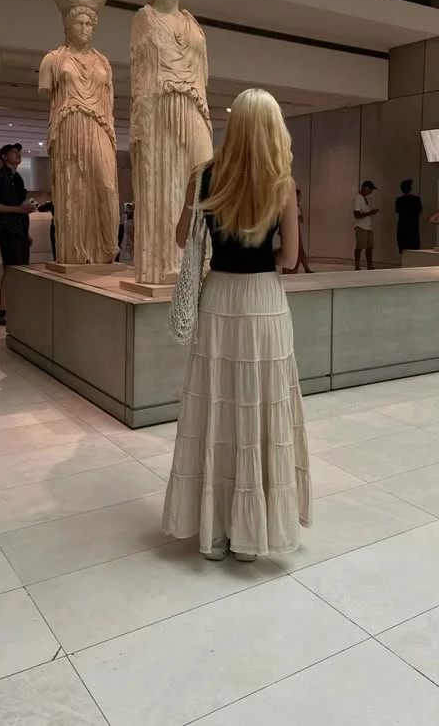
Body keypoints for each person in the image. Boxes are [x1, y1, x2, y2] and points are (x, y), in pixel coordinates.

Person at [162, 88, 311, 561]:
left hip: (219, 297)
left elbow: (181, 239)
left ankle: (215, 532)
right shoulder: (281, 183)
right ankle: (253, 534)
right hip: (264, 302)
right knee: (260, 407)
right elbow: (288, 258)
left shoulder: (204, 177)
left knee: (216, 405)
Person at [0, 143, 35, 326]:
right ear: (4, 156)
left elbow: (21, 205)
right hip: (6, 229)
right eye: (14, 152)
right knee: (10, 269)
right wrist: (17, 209)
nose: (18, 155)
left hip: (20, 231)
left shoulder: (19, 178)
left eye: (19, 152)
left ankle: (16, 307)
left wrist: (26, 232)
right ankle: (3, 311)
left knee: (21, 269)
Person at [285, 188, 312, 274]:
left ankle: (305, 268)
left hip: (296, 230)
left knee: (300, 250)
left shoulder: (296, 205)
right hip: (293, 231)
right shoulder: (292, 206)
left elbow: (301, 219)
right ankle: (292, 269)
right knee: (297, 250)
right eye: (299, 196)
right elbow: (297, 219)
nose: (300, 198)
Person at [353, 180, 378, 271]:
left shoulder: (364, 198)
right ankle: (357, 266)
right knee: (359, 247)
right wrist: (370, 212)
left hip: (368, 226)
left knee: (369, 247)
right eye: (370, 190)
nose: (371, 192)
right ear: (366, 188)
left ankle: (369, 265)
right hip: (361, 227)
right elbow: (357, 214)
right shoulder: (357, 198)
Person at [395, 179, 423, 259]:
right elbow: (419, 211)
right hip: (413, 227)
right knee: (414, 249)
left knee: (403, 249)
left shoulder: (399, 200)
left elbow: (397, 212)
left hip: (402, 227)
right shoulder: (416, 199)